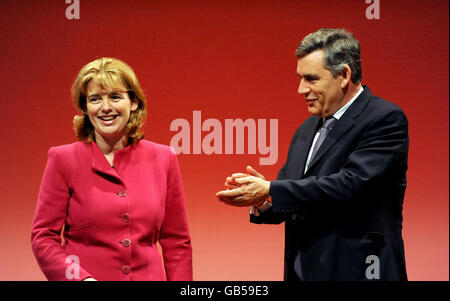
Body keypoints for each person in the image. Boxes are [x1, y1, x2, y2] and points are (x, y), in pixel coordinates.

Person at [216, 28, 409, 281]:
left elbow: (350, 185)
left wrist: (270, 189)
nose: (300, 89)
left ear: (343, 75)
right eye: (300, 78)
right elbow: (294, 196)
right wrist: (262, 200)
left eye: (311, 79)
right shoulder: (306, 130)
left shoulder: (384, 119)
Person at [31, 57, 193, 281]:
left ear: (134, 102)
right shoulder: (63, 159)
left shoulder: (163, 158)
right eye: (95, 99)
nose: (105, 108)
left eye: (115, 97)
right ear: (86, 107)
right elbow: (43, 237)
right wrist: (79, 279)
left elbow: (177, 242)